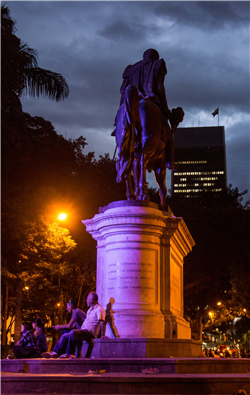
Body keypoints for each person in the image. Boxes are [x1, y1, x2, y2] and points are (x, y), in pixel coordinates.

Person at [114, 48, 177, 170]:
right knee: (169, 134)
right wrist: (165, 109)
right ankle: (170, 160)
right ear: (155, 57)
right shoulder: (157, 64)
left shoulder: (130, 70)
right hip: (151, 98)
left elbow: (123, 91)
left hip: (129, 103)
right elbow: (159, 87)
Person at [42, 292, 106, 359]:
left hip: (90, 332)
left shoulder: (99, 309)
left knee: (73, 332)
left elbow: (102, 322)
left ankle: (69, 354)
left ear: (92, 300)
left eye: (87, 299)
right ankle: (55, 352)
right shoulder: (90, 310)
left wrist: (102, 335)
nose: (86, 300)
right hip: (83, 331)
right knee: (64, 335)